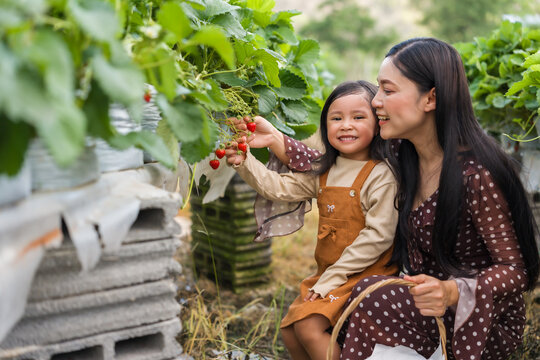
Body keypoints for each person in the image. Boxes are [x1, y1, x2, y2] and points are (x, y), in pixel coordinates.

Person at [235, 37, 540, 360]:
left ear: (431, 98)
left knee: (366, 296)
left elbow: (517, 270)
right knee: (325, 309)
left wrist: (452, 291)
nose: (375, 101)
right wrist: (277, 140)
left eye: (388, 90)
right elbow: (339, 171)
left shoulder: (476, 175)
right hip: (417, 300)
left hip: (471, 320)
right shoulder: (401, 152)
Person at [225, 81, 399, 360]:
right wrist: (244, 160)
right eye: (336, 118)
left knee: (308, 327)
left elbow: (378, 236)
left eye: (358, 117)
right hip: (330, 272)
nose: (346, 125)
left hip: (363, 272)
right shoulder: (324, 171)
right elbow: (278, 187)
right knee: (290, 330)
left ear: (378, 124)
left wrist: (333, 277)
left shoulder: (381, 175)